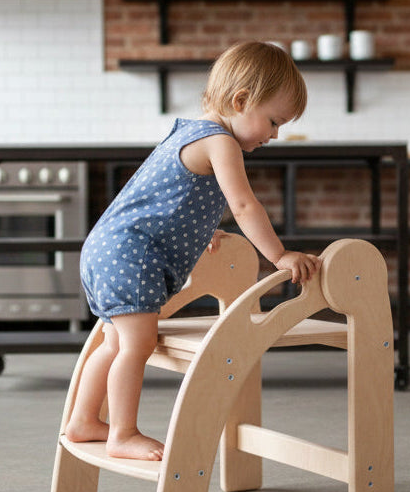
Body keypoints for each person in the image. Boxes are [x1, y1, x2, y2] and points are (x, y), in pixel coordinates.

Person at [65, 41, 321, 461]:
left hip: (107, 247)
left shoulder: (188, 131)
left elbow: (169, 199)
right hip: (131, 253)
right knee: (137, 345)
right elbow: (242, 204)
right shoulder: (221, 142)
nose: (276, 135)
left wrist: (200, 231)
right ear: (241, 101)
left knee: (114, 343)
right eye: (274, 121)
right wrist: (280, 256)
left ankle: (83, 420)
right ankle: (122, 433)